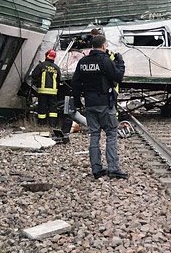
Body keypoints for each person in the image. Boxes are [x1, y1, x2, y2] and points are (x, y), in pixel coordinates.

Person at [71, 34, 127, 179]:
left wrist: (77, 102)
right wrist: (120, 62)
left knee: (94, 135)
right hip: (105, 103)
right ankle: (113, 168)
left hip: (90, 104)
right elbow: (117, 76)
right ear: (103, 46)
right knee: (111, 134)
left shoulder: (83, 62)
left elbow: (76, 83)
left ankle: (96, 169)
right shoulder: (104, 60)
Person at [29, 49, 61, 130]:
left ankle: (42, 124)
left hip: (42, 91)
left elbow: (34, 76)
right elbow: (59, 80)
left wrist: (37, 83)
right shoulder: (56, 68)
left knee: (42, 108)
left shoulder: (41, 66)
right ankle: (52, 125)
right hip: (53, 92)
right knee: (53, 109)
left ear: (46, 56)